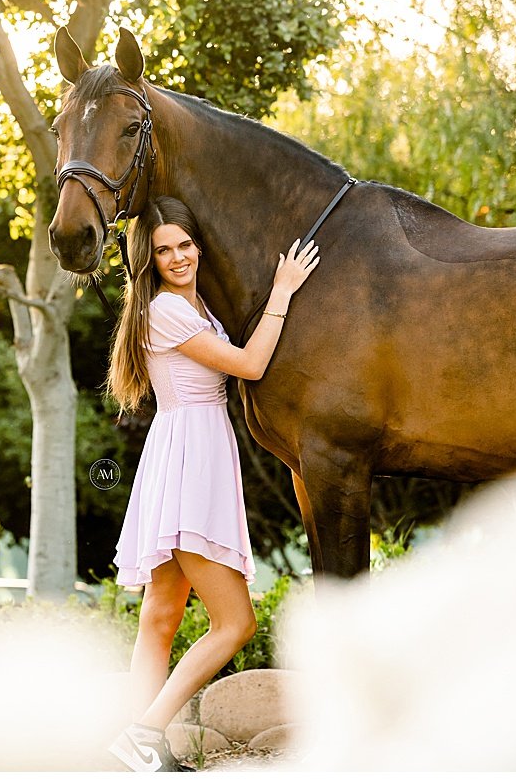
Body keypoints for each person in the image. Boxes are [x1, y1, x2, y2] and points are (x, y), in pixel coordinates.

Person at [104, 196, 318, 772]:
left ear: (198, 245)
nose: (178, 257)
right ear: (148, 261)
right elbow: (248, 366)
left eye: (185, 245)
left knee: (161, 618)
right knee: (236, 623)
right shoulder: (167, 311)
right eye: (164, 250)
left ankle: (130, 747)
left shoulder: (190, 304)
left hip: (185, 451)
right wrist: (282, 291)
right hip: (190, 460)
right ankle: (147, 732)